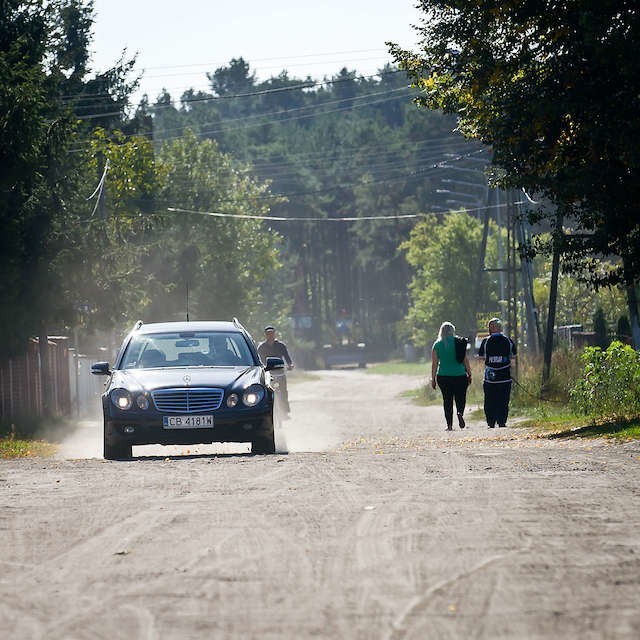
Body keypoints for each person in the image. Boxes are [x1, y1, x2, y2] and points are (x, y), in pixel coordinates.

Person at [431, 322, 472, 430]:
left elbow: (434, 363)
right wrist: (469, 373)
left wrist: (433, 378)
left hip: (443, 376)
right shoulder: (458, 342)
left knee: (447, 400)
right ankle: (460, 413)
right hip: (459, 375)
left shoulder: (437, 344)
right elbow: (465, 360)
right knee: (461, 398)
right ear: (453, 331)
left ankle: (449, 425)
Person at [478, 317, 517, 429]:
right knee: (503, 400)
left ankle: (491, 422)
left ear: (492, 328)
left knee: (490, 400)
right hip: (505, 376)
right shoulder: (508, 340)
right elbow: (514, 355)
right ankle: (502, 421)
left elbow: (481, 357)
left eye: (490, 326)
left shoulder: (486, 341)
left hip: (490, 378)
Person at [257, 325, 294, 415]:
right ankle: (267, 410)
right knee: (267, 391)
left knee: (283, 390)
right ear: (265, 335)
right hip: (268, 373)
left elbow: (287, 357)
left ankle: (285, 409)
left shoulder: (281, 345)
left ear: (275, 334)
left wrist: (290, 365)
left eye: (272, 333)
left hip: (280, 372)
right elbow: (259, 361)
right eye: (268, 333)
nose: (270, 335)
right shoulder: (261, 347)